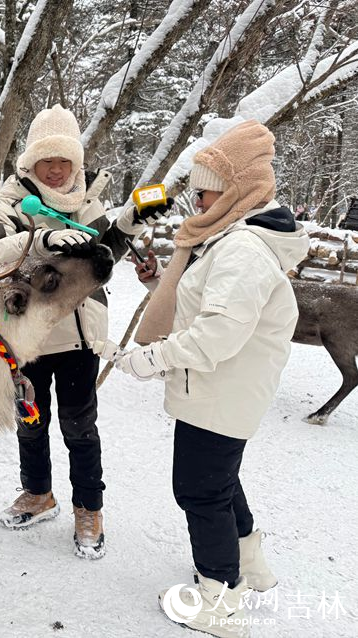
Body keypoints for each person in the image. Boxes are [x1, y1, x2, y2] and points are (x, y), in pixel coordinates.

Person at [113, 120, 310, 635]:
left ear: (233, 191)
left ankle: (219, 597)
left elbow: (218, 335)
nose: (197, 201)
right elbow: (215, 305)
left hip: (220, 389)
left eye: (205, 191)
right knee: (218, 482)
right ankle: (249, 562)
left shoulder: (242, 249)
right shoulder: (234, 240)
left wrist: (149, 359)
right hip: (225, 391)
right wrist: (163, 282)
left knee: (199, 491)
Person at [0, 104, 170, 558]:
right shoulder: (10, 199)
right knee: (31, 419)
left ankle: (89, 508)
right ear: (32, 163)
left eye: (65, 161)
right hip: (27, 333)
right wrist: (38, 241)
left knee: (80, 426)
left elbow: (101, 258)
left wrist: (127, 225)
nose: (58, 170)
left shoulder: (88, 198)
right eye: (49, 161)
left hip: (80, 333)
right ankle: (39, 494)